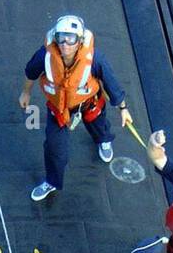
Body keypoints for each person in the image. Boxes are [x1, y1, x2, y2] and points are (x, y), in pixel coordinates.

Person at [20, 13, 134, 202]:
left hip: (88, 102)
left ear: (79, 41)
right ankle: (52, 181)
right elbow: (30, 73)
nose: (65, 43)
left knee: (99, 126)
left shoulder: (94, 59)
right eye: (61, 38)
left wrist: (123, 108)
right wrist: (26, 93)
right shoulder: (45, 56)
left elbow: (111, 83)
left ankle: (103, 140)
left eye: (70, 38)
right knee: (54, 148)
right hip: (59, 109)